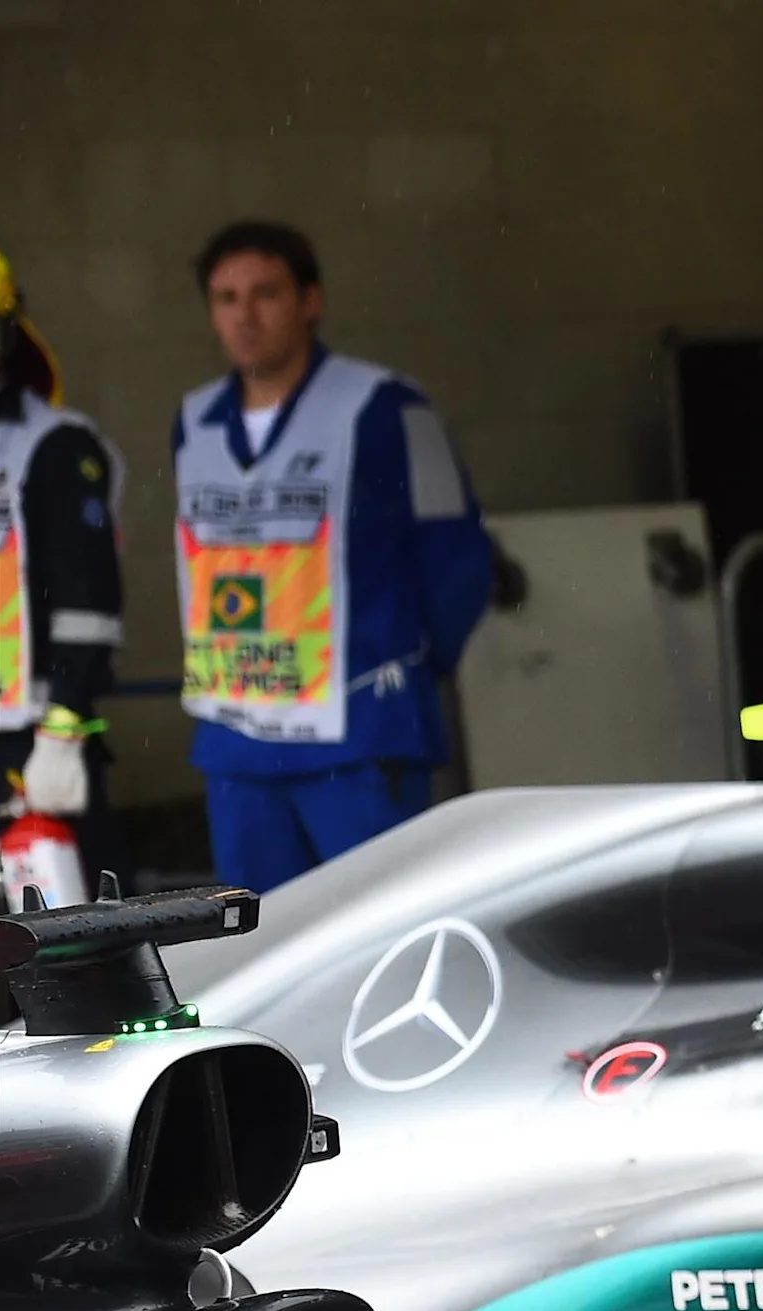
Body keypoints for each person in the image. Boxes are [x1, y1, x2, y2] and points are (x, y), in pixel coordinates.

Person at [174, 221, 491, 892]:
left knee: (383, 931)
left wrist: (400, 666)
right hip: (238, 746)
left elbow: (457, 558)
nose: (244, 315)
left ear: (310, 301)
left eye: (266, 294)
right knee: (260, 940)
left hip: (359, 735)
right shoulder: (194, 420)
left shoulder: (387, 406)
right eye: (226, 298)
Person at [0, 249, 126, 885]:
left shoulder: (54, 445)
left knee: (70, 933)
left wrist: (63, 732)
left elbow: (88, 603)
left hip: (34, 743)